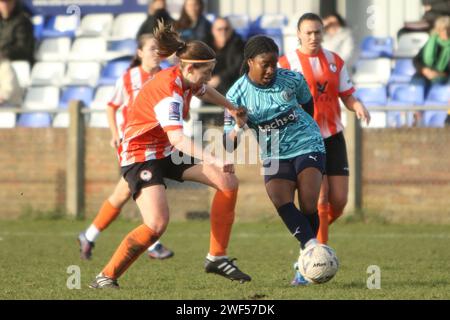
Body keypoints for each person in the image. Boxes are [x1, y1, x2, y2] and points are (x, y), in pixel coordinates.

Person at [89, 21, 251, 289]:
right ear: (189, 68)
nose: (209, 77)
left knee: (227, 182)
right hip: (141, 155)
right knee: (156, 224)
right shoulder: (169, 93)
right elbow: (177, 137)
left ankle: (216, 257)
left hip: (164, 149)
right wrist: (214, 158)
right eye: (207, 71)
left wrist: (231, 107)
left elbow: (204, 90)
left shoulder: (186, 78)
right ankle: (106, 276)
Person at [224, 35, 333, 286]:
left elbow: (308, 108)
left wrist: (301, 133)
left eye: (274, 63)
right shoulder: (236, 94)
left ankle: (307, 258)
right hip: (273, 153)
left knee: (307, 203)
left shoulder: (292, 79)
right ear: (250, 61)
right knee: (280, 200)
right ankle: (312, 252)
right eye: (265, 64)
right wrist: (239, 125)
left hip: (307, 143)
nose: (272, 69)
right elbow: (228, 143)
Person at [78, 34, 175, 261]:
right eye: (151, 48)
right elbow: (111, 106)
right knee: (142, 186)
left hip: (157, 144)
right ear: (139, 53)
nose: (156, 53)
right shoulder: (129, 77)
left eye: (159, 49)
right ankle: (154, 244)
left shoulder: (167, 76)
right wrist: (114, 133)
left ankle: (89, 235)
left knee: (123, 192)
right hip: (134, 144)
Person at [279, 13, 370, 248]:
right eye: (308, 32)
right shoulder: (286, 64)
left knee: (339, 201)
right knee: (321, 195)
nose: (313, 37)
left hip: (333, 135)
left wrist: (356, 104)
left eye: (317, 31)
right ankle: (316, 252)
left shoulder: (335, 60)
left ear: (323, 32)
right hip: (305, 139)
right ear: (298, 34)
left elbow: (347, 95)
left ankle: (310, 238)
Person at [413, 16, 450, 86]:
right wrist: (424, 70)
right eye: (442, 29)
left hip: (445, 77)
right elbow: (416, 60)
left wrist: (439, 74)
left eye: (448, 29)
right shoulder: (431, 42)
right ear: (438, 30)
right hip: (426, 74)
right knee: (416, 82)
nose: (446, 32)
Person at [0, 0, 35, 65]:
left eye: (8, 2)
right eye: (2, 3)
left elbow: (23, 49)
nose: (5, 6)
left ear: (14, 3)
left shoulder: (23, 21)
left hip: (15, 64)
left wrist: (3, 53)